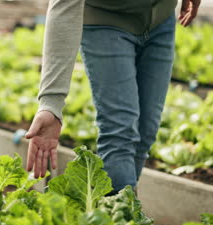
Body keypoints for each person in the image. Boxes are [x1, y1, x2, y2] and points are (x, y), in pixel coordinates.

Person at [26, 0, 201, 194]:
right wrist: (51, 103)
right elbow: (63, 6)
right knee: (120, 131)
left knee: (146, 132)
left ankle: (118, 210)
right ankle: (122, 216)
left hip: (161, 22)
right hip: (105, 22)